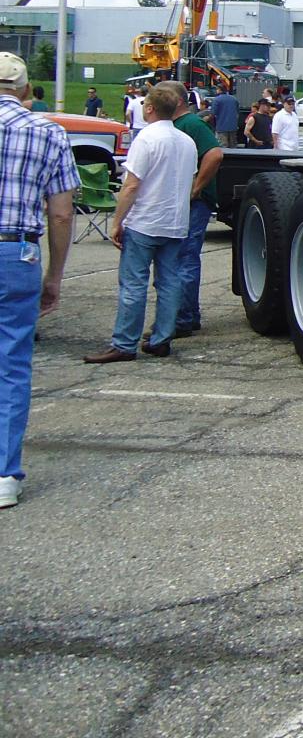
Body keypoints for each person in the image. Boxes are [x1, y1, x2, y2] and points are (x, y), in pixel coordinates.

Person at [0, 52, 79, 508]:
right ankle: (4, 474)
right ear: (26, 89)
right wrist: (55, 276)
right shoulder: (48, 132)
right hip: (16, 250)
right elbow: (61, 212)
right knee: (11, 363)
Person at [83, 81, 197, 364]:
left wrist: (117, 221)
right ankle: (162, 338)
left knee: (134, 283)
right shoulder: (187, 142)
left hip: (145, 220)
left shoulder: (146, 139)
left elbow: (132, 185)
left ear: (150, 109)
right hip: (175, 221)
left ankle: (124, 343)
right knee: (169, 282)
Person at [172, 90, 223, 342]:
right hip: (185, 202)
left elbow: (215, 154)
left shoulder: (191, 124)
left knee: (185, 257)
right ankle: (189, 315)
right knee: (184, 256)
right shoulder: (177, 125)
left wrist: (196, 188)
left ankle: (182, 319)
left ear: (178, 100)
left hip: (196, 203)